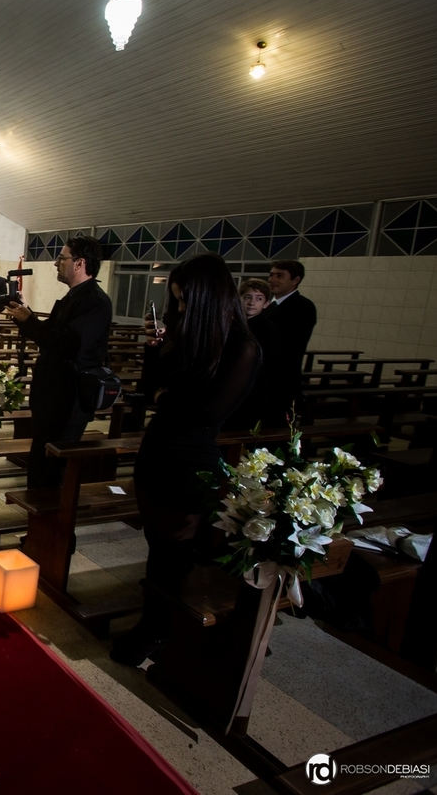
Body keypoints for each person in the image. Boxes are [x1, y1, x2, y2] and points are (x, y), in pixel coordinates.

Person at [111, 254, 260, 666]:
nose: (179, 309)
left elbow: (206, 412)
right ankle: (156, 625)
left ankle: (157, 630)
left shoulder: (242, 347)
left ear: (207, 299)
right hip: (156, 453)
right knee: (156, 546)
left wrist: (166, 397)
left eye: (184, 301)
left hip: (190, 464)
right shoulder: (189, 338)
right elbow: (149, 391)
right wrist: (154, 351)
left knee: (173, 555)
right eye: (176, 300)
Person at [4, 236, 113, 489]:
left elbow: (68, 345)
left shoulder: (95, 302)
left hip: (69, 397)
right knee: (41, 458)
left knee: (54, 465)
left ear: (79, 263)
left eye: (62, 258)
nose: (56, 263)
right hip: (53, 395)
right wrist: (26, 318)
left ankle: (51, 513)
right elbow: (50, 337)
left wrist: (30, 322)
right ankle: (38, 512)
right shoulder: (73, 297)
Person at [225, 278, 287, 431]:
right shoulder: (230, 325)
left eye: (258, 299)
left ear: (266, 304)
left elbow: (268, 365)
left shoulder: (269, 330)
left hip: (252, 391)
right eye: (247, 297)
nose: (252, 303)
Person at [266, 259, 317, 409]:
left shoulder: (303, 306)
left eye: (279, 276)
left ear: (296, 280)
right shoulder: (268, 306)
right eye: (271, 275)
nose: (272, 280)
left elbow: (288, 344)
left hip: (282, 379)